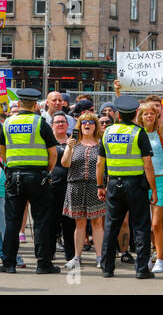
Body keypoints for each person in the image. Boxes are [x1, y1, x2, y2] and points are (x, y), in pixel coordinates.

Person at [98, 95, 158, 279]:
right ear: (135, 113)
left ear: (117, 114)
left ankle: (107, 268)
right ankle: (141, 269)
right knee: (140, 226)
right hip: (136, 185)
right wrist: (153, 189)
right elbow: (148, 164)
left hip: (114, 184)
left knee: (111, 226)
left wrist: (100, 185)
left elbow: (101, 163)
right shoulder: (139, 133)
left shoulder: (107, 132)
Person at [0, 88, 59, 274]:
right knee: (41, 221)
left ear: (19, 104)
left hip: (14, 175)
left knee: (12, 222)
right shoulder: (40, 122)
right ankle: (43, 264)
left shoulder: (7, 122)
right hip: (37, 175)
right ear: (35, 105)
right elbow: (53, 152)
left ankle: (9, 263)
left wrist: (8, 166)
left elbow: (2, 149)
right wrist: (47, 172)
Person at [61, 113, 106, 269]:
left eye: (91, 122)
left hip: (95, 186)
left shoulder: (101, 144)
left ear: (95, 126)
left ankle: (100, 257)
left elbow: (105, 167)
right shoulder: (74, 143)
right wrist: (69, 147)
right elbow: (65, 164)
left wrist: (104, 185)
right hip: (76, 186)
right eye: (84, 122)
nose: (87, 125)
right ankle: (77, 257)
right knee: (79, 223)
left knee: (97, 222)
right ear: (79, 126)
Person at [136, 101, 163, 273]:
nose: (149, 116)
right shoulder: (137, 133)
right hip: (141, 181)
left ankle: (160, 259)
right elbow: (122, 112)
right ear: (141, 117)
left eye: (152, 113)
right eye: (146, 113)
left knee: (156, 223)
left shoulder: (160, 132)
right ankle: (147, 257)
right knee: (143, 224)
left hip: (159, 181)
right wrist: (118, 92)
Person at [50, 111, 76, 262]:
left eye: (63, 122)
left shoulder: (73, 141)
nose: (60, 124)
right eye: (57, 122)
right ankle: (49, 252)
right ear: (52, 125)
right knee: (51, 222)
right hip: (52, 188)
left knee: (70, 223)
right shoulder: (47, 141)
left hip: (70, 187)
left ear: (67, 125)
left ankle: (71, 254)